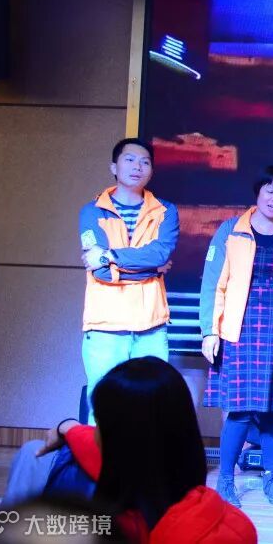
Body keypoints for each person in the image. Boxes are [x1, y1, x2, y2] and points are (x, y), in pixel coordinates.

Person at [200, 166, 273, 507]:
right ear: (258, 192)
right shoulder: (231, 230)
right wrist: (210, 331)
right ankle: (225, 480)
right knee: (239, 410)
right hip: (241, 330)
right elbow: (213, 283)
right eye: (270, 190)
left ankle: (271, 478)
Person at [93, 356, 256, 543]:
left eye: (98, 422)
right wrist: (67, 426)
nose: (93, 434)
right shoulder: (234, 525)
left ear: (121, 441)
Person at [79, 138, 178, 423]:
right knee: (103, 406)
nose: (138, 167)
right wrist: (153, 270)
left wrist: (110, 256)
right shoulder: (92, 211)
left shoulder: (165, 211)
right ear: (114, 167)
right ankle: (101, 454)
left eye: (145, 162)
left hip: (151, 324)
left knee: (152, 406)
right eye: (130, 160)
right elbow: (100, 272)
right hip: (105, 325)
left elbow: (160, 253)